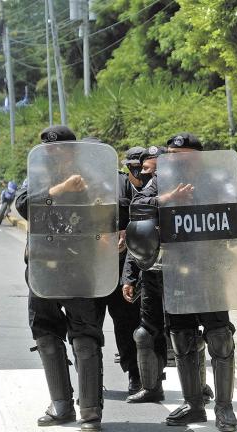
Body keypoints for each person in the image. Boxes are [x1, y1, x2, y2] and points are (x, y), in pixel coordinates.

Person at [127, 133, 237, 431]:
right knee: (182, 335)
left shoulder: (217, 178)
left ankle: (225, 409)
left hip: (209, 269)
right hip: (174, 269)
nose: (177, 160)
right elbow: (137, 207)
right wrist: (168, 199)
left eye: (185, 155)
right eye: (173, 154)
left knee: (219, 336)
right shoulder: (160, 180)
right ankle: (193, 405)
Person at [15, 125, 110, 431]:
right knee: (45, 333)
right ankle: (61, 406)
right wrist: (59, 190)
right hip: (43, 266)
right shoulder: (37, 176)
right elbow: (23, 205)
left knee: (85, 337)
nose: (54, 153)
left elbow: (107, 211)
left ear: (73, 150)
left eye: (60, 148)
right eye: (49, 149)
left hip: (79, 265)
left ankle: (91, 412)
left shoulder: (91, 178)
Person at [94, 146, 145, 394]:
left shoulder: (124, 184)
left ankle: (135, 375)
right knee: (87, 329)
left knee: (127, 324)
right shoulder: (76, 186)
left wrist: (127, 233)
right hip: (89, 271)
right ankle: (91, 378)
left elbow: (141, 215)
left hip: (119, 267)